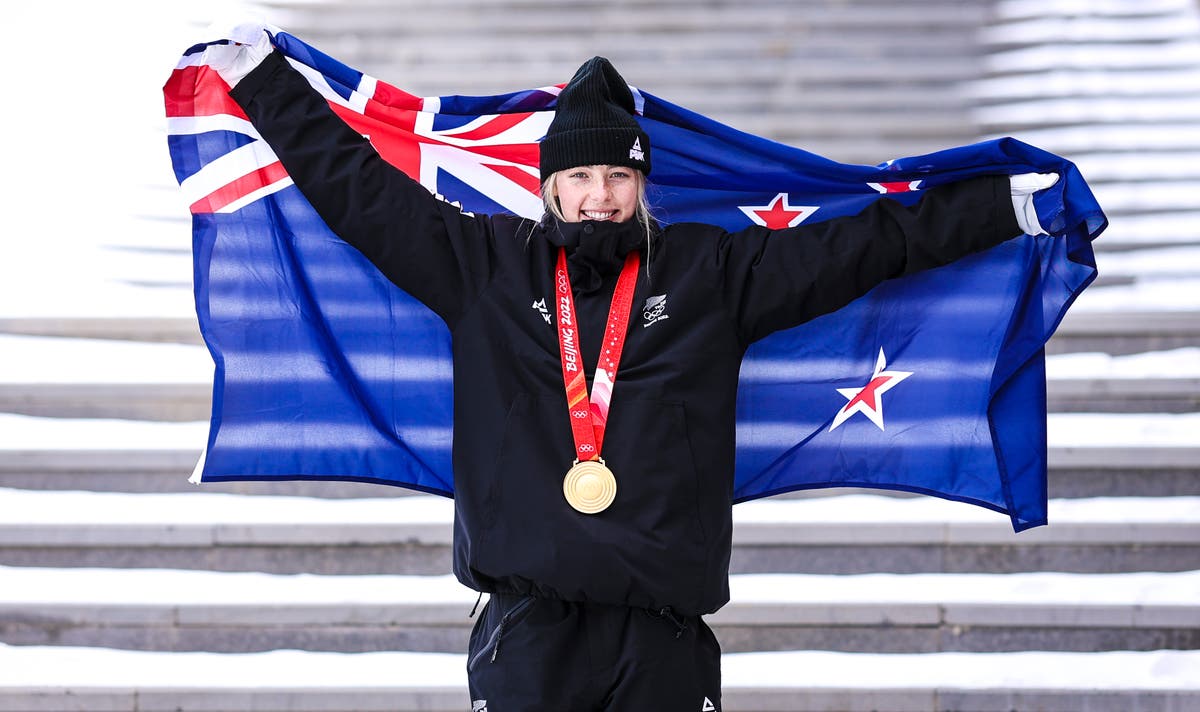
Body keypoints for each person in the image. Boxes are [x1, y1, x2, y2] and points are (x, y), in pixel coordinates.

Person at [210, 26, 1056, 712]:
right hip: (528, 634)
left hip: (661, 638)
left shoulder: (708, 275)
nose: (599, 195)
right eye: (579, 174)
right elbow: (359, 191)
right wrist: (262, 83)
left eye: (617, 174)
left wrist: (998, 206)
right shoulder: (484, 268)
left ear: (643, 183)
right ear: (550, 186)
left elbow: (867, 245)